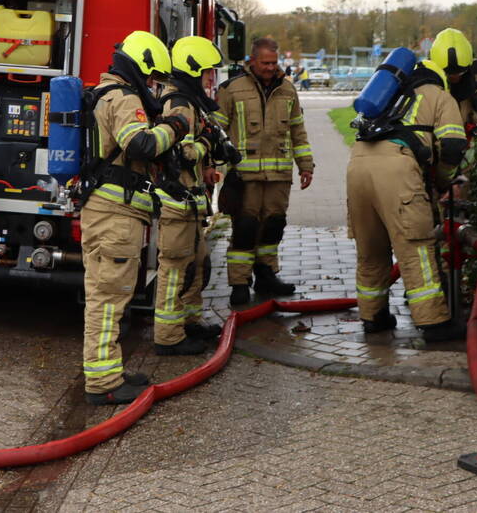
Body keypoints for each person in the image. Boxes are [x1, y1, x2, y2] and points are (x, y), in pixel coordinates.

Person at [80, 31, 190, 406]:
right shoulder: (124, 98)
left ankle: (109, 370)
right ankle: (103, 382)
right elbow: (140, 144)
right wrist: (176, 125)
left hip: (107, 211)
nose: (154, 86)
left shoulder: (105, 93)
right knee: (108, 297)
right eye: (153, 78)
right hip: (114, 215)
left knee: (107, 295)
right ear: (142, 66)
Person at [346, 32, 470, 343]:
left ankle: (373, 317)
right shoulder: (440, 96)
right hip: (397, 169)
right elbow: (454, 147)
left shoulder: (393, 91)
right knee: (416, 248)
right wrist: (442, 180)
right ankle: (435, 325)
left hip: (358, 164)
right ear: (450, 72)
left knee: (371, 249)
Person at [214, 37, 314, 306]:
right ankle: (239, 282)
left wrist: (306, 166)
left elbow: (298, 131)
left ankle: (266, 275)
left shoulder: (287, 90)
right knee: (245, 228)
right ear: (252, 61)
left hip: (279, 177)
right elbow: (216, 133)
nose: (271, 68)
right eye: (265, 63)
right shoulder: (231, 89)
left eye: (274, 62)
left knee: (273, 226)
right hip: (244, 177)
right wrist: (214, 169)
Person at [152, 36, 229, 351]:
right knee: (175, 270)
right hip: (176, 203)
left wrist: (208, 166)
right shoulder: (179, 103)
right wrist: (208, 144)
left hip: (191, 202)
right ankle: (168, 338)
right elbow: (183, 153)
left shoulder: (190, 100)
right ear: (193, 69)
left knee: (197, 264)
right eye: (208, 72)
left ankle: (190, 323)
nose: (212, 78)